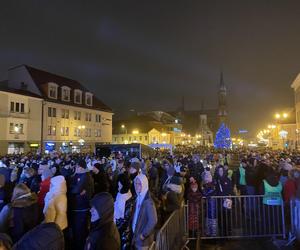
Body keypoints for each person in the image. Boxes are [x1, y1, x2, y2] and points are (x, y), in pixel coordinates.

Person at [69, 159, 94, 250]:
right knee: (77, 230)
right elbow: (72, 186)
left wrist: (76, 190)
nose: (76, 168)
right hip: (77, 207)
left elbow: (76, 190)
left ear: (80, 167)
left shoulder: (85, 176)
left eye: (77, 166)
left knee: (80, 231)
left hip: (81, 207)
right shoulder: (78, 175)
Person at [131, 174, 157, 250]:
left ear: (144, 184)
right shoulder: (139, 196)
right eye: (135, 183)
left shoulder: (148, 201)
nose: (136, 186)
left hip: (142, 241)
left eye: (139, 184)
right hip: (137, 236)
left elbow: (153, 221)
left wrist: (143, 235)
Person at [114, 173, 134, 250]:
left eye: (119, 185)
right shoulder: (123, 193)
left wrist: (115, 228)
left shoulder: (126, 199)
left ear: (124, 184)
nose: (118, 187)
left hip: (123, 232)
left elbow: (124, 219)